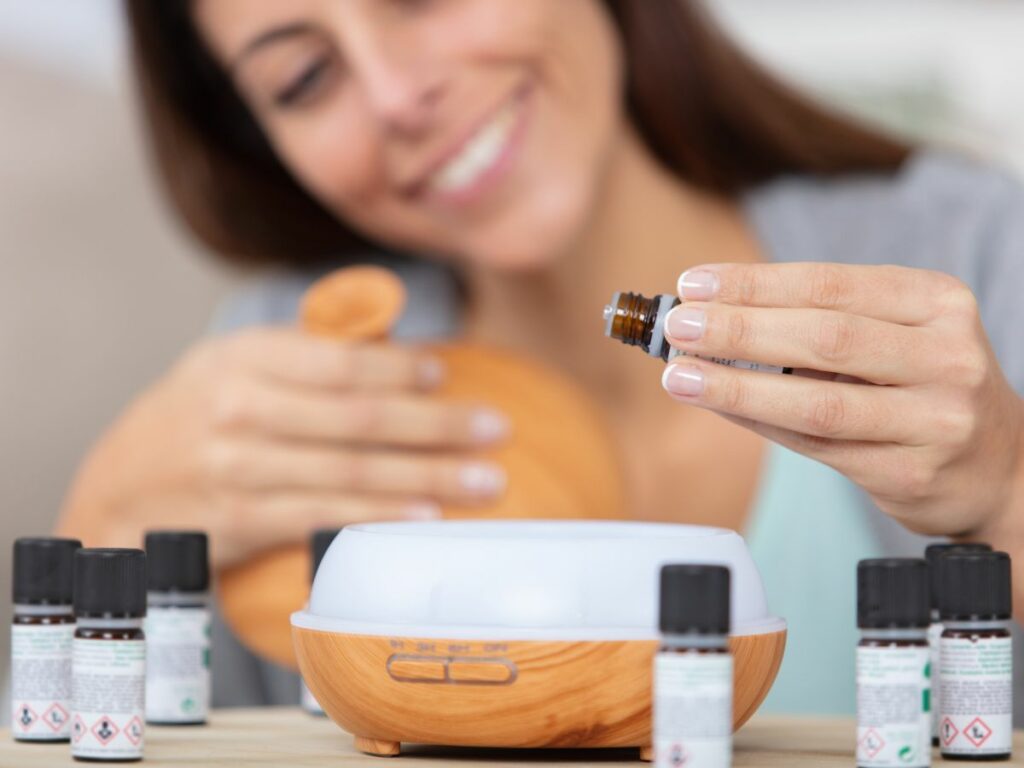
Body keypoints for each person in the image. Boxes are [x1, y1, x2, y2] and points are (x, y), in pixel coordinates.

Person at [57, 0, 1024, 712]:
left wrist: (1011, 493)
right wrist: (98, 537)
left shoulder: (982, 259)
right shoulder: (270, 377)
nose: (398, 96)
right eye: (302, 80)